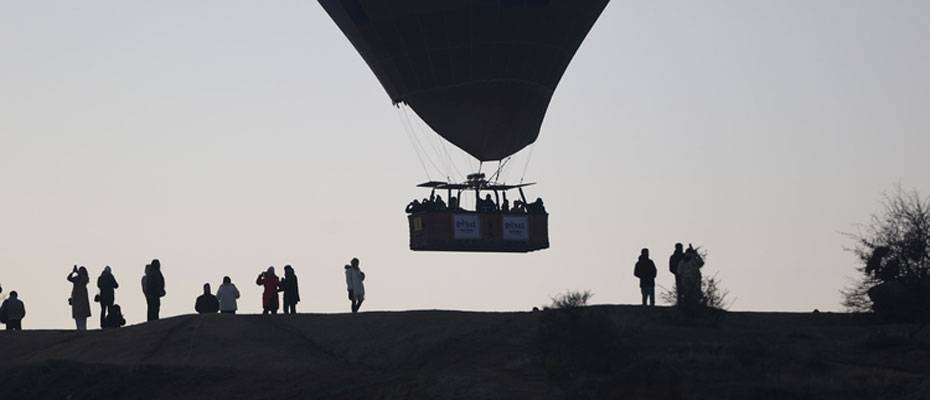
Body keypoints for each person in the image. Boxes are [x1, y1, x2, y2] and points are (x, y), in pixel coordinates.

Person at [677, 245, 705, 310]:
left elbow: (679, 271)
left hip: (685, 279)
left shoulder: (682, 261)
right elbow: (701, 263)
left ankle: (686, 306)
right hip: (695, 279)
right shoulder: (694, 259)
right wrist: (696, 254)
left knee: (687, 293)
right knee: (695, 293)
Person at [67, 265, 92, 331]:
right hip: (76, 298)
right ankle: (79, 329)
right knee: (77, 315)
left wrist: (77, 272)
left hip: (82, 299)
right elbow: (69, 278)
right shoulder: (77, 278)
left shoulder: (85, 278)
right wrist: (72, 272)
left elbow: (85, 279)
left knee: (83, 316)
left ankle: (83, 329)